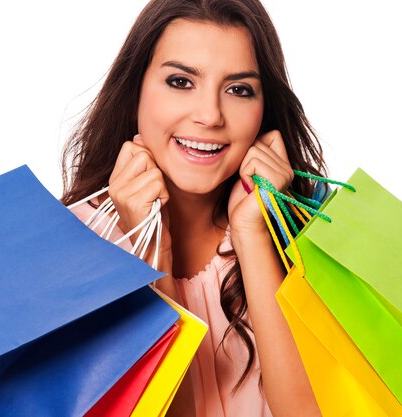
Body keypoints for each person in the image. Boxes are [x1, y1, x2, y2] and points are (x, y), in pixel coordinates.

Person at [61, 1, 327, 416]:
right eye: (181, 81)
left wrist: (253, 235)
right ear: (136, 90)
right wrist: (153, 254)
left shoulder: (308, 241)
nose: (209, 116)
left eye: (239, 89)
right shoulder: (68, 251)